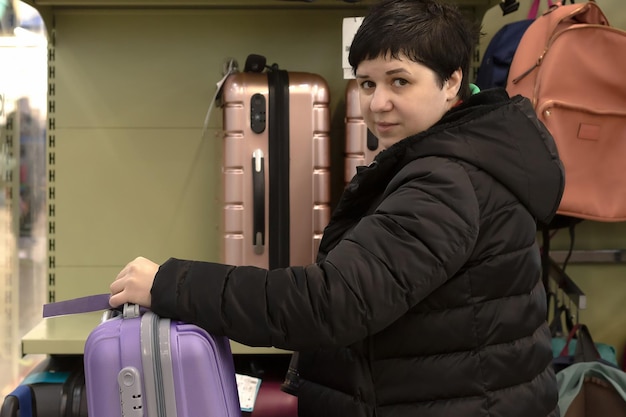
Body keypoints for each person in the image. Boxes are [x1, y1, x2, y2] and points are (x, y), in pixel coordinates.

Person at [109, 0, 564, 416]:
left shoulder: (446, 182)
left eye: (399, 81)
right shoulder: (461, 158)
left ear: (451, 81)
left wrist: (170, 282)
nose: (377, 103)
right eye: (367, 83)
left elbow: (331, 304)